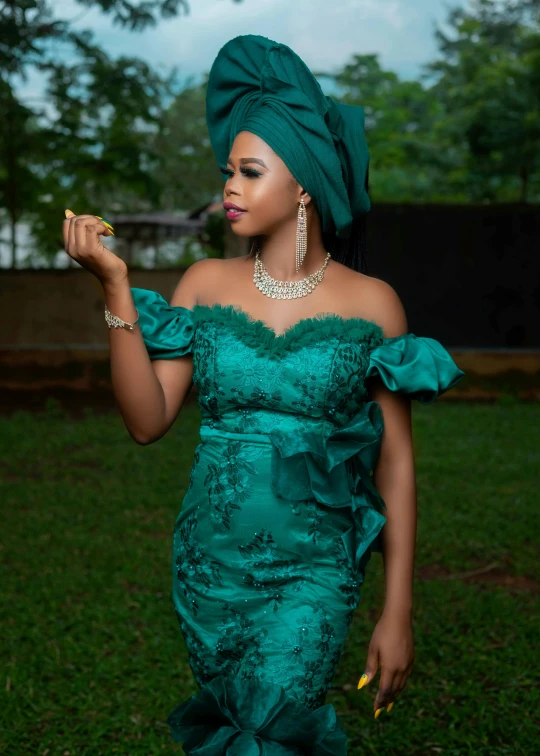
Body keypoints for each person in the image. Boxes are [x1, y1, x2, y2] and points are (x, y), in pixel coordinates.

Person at [62, 34, 465, 755]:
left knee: (271, 726)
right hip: (210, 565)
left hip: (316, 569)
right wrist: (116, 288)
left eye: (250, 172)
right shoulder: (201, 284)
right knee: (233, 728)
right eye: (228, 172)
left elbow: (395, 464)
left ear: (303, 182)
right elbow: (148, 422)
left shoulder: (375, 305)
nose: (230, 188)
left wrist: (397, 607)